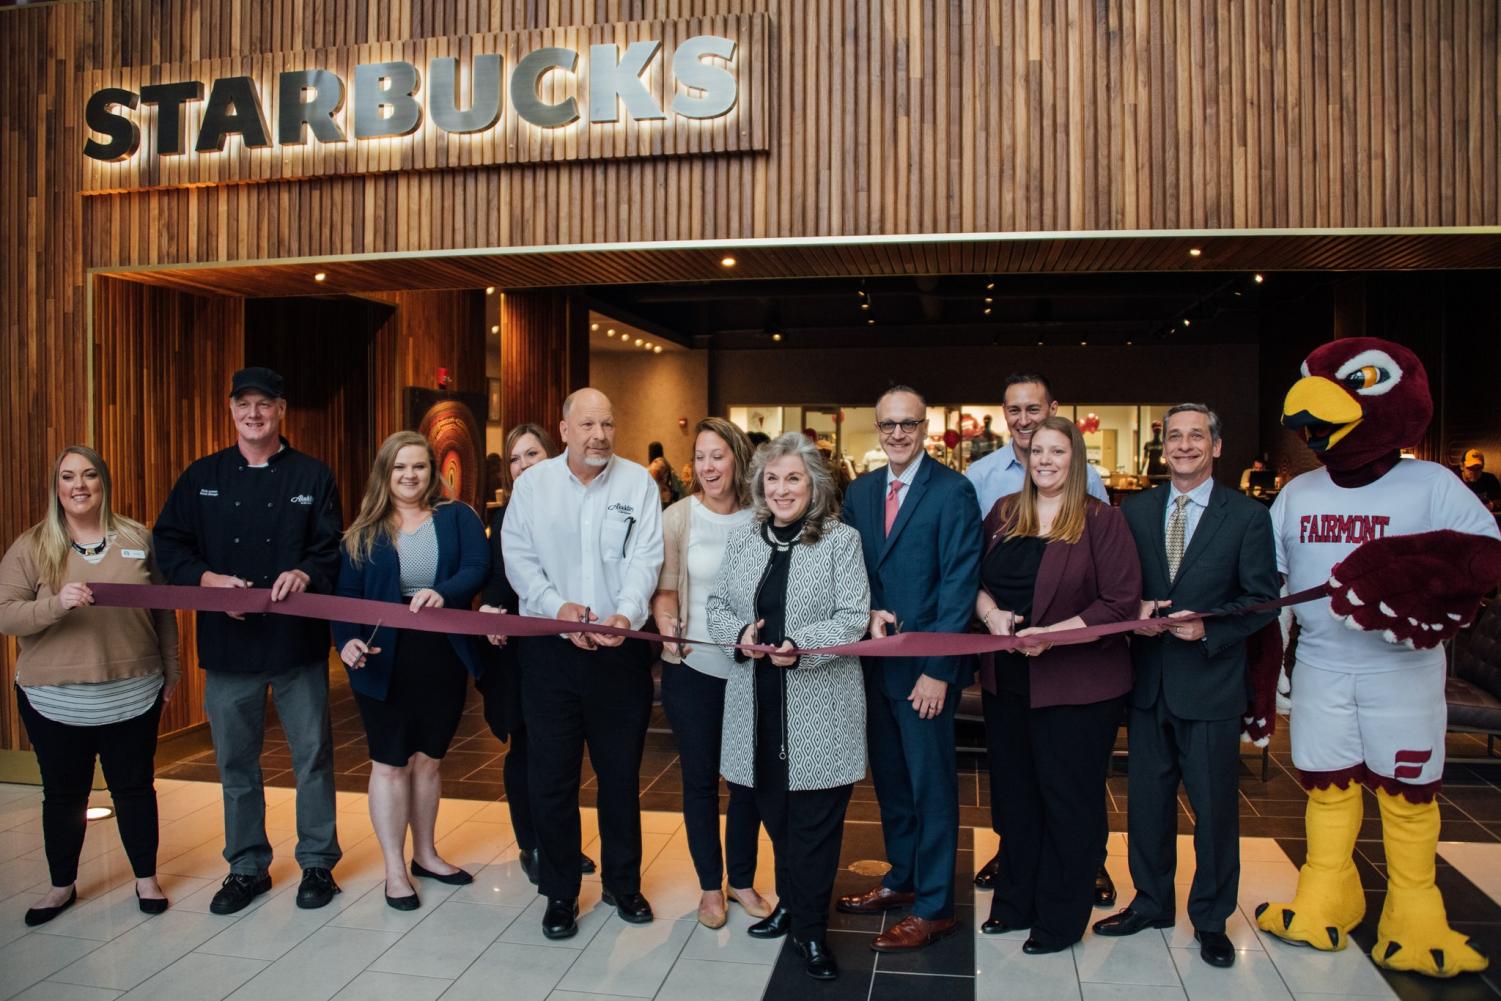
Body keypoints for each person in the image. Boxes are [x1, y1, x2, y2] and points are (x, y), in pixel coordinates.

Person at [153, 367, 344, 915]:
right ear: (232, 410)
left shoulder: (313, 475)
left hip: (296, 644)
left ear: (281, 409)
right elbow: (169, 544)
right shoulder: (202, 475)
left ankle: (317, 863)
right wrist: (207, 581)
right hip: (228, 645)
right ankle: (246, 867)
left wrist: (305, 573)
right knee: (235, 763)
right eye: (244, 404)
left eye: (264, 403)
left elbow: (331, 548)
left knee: (312, 757)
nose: (253, 413)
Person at [1094, 405, 1278, 968]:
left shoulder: (1247, 516)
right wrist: (1135, 612)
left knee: (1215, 811)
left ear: (1216, 446)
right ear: (1163, 446)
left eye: (1196, 436)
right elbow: (1117, 586)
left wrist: (1209, 628)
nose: (1184, 445)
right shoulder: (1135, 510)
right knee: (1147, 806)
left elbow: (1262, 601)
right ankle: (1151, 902)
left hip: (1211, 685)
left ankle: (1212, 919)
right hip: (1148, 684)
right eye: (1174, 436)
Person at [707, 433, 871, 981]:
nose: (781, 489)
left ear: (814, 486)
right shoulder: (743, 539)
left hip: (819, 712)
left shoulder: (841, 542)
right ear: (760, 485)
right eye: (772, 478)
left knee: (814, 829)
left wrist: (800, 646)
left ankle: (811, 931)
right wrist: (738, 634)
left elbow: (853, 617)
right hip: (756, 710)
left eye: (793, 478)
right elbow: (716, 605)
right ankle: (792, 905)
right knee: (777, 818)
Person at [973, 416, 1140, 952]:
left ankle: (1060, 920)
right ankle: (1014, 903)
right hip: (1008, 680)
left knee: (1068, 802)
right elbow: (974, 581)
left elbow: (1119, 603)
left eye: (1057, 451)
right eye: (1037, 451)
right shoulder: (1004, 513)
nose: (1044, 460)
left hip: (1077, 687)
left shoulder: (1101, 520)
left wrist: (1053, 635)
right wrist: (992, 615)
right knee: (1015, 798)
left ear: (1077, 459)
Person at [502, 388, 664, 939]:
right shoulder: (533, 486)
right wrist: (558, 609)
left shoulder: (638, 483)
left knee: (619, 776)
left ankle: (623, 883)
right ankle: (560, 891)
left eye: (608, 424)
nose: (599, 435)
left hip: (620, 651)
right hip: (550, 651)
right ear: (564, 430)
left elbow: (646, 558)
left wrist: (626, 615)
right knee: (552, 778)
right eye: (588, 424)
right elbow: (519, 560)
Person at [0, 447, 179, 925]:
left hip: (133, 691)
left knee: (134, 789)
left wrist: (172, 668)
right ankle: (61, 886)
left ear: (104, 482)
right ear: (56, 487)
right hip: (54, 698)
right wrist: (56, 604)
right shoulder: (32, 546)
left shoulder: (137, 537)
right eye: (67, 477)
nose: (78, 485)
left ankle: (146, 879)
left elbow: (163, 609)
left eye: (89, 475)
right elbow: (6, 615)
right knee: (64, 795)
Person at [836, 387, 982, 950]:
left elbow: (959, 584)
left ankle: (935, 906)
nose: (897, 434)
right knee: (892, 784)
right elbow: (851, 568)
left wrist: (939, 669)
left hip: (925, 673)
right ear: (877, 428)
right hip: (874, 667)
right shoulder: (861, 491)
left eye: (908, 424)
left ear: (925, 428)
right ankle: (903, 879)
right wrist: (865, 613)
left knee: (931, 790)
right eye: (888, 425)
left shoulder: (953, 490)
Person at [964, 372, 1114, 903]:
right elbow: (972, 565)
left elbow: (1108, 581)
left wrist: (1055, 632)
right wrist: (991, 615)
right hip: (1007, 665)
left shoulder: (1091, 494)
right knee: (1014, 776)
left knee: (1070, 780)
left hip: (1070, 666)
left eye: (1034, 409)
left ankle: (1083, 868)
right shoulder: (985, 481)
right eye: (1014, 410)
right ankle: (1016, 861)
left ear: (1053, 410)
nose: (1024, 421)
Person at [331, 431, 489, 910]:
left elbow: (477, 566)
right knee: (390, 763)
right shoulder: (363, 531)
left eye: (419, 466)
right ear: (385, 472)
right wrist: (346, 640)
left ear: (432, 471)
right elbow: (345, 597)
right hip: (381, 658)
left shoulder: (457, 516)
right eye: (400, 467)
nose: (410, 475)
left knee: (429, 760)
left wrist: (445, 592)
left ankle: (425, 855)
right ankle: (394, 870)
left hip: (442, 655)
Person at [650, 418, 772, 929]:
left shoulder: (763, 517)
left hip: (751, 671)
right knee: (699, 780)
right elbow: (665, 590)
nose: (708, 466)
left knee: (747, 781)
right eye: (700, 456)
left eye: (717, 455)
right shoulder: (678, 518)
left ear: (737, 458)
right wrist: (665, 620)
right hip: (693, 669)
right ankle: (708, 886)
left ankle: (741, 879)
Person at [475, 423, 596, 884]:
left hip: (568, 643)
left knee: (562, 755)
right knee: (526, 747)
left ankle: (560, 844)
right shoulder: (506, 514)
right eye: (514, 458)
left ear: (553, 455)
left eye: (532, 454)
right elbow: (499, 575)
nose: (523, 465)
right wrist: (492, 608)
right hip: (519, 649)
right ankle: (533, 844)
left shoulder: (576, 505)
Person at [647, 440, 683, 506]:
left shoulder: (656, 465)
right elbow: (677, 482)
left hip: (658, 499)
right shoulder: (665, 463)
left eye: (649, 452)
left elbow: (649, 482)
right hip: (665, 498)